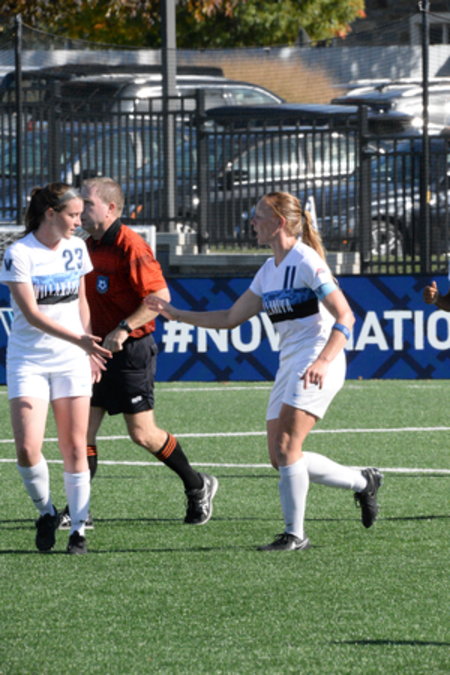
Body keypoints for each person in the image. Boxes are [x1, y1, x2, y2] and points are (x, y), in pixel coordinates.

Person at [146, 191, 383, 551]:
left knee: (288, 448)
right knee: (280, 457)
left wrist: (323, 360)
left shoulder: (306, 261)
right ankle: (364, 482)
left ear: (280, 222)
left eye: (258, 215)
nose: (252, 222)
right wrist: (176, 314)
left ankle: (295, 534)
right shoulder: (269, 270)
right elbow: (230, 317)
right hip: (291, 363)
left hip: (318, 360)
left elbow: (346, 316)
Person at [58, 176, 218, 530]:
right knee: (80, 433)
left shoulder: (131, 245)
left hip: (131, 351)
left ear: (111, 208)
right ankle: (78, 509)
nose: (81, 208)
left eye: (88, 203)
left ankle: (197, 484)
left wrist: (124, 328)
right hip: (95, 351)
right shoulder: (85, 245)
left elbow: (160, 297)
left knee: (142, 434)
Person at [0, 183, 111, 554]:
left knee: (75, 446)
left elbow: (81, 301)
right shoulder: (19, 253)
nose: (79, 222)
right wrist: (80, 340)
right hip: (28, 361)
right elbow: (32, 315)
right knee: (27, 448)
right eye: (73, 215)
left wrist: (87, 347)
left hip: (71, 360)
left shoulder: (77, 248)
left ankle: (77, 531)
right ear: (50, 214)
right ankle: (46, 512)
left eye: (80, 215)